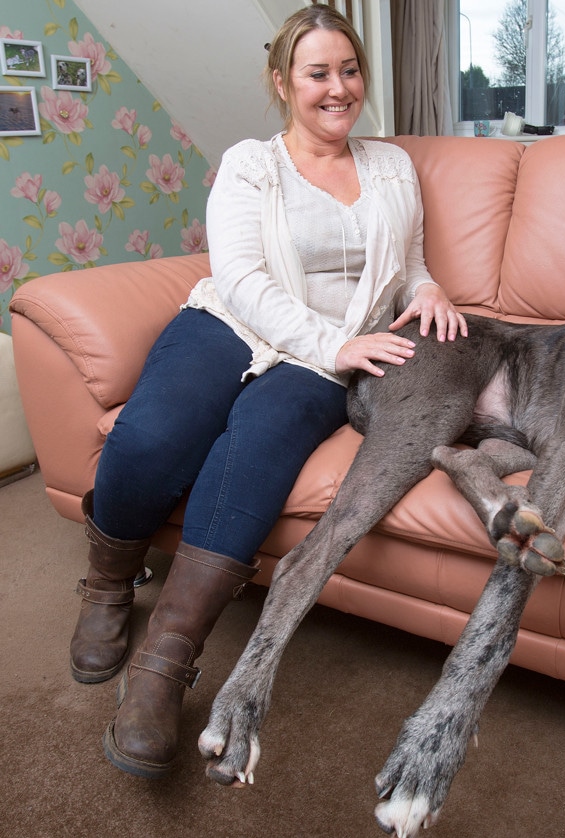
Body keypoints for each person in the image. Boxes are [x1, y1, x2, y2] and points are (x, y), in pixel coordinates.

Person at [69, 5, 468, 779]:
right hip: (238, 322)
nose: (338, 87)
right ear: (283, 81)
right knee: (153, 438)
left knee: (252, 452)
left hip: (329, 355)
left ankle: (163, 670)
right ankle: (109, 581)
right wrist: (335, 343)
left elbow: (407, 262)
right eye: (318, 72)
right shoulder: (252, 163)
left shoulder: (391, 165)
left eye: (349, 70)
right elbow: (244, 280)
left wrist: (431, 291)